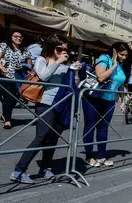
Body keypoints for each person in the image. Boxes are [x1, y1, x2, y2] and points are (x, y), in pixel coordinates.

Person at [10, 35, 80, 184]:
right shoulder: (42, 60)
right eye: (59, 49)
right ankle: (18, 170)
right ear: (51, 47)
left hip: (62, 105)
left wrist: (75, 71)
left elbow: (75, 83)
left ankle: (46, 168)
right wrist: (58, 62)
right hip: (45, 103)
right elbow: (44, 76)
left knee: (53, 138)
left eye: (65, 50)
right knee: (41, 137)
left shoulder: (65, 64)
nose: (62, 52)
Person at [81, 42, 132, 167]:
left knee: (103, 128)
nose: (123, 58)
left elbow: (119, 83)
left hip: (109, 100)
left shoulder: (122, 65)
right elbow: (100, 77)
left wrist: (122, 98)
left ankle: (102, 155)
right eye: (121, 54)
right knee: (90, 126)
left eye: (126, 55)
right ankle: (89, 156)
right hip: (94, 98)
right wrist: (114, 65)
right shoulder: (105, 58)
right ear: (114, 51)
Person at [0, 31, 30, 130]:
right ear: (11, 37)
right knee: (9, 97)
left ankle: (5, 114)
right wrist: (1, 67)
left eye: (20, 37)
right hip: (5, 75)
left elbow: (29, 64)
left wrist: (27, 69)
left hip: (19, 78)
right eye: (16, 36)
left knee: (15, 98)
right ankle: (8, 121)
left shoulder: (25, 50)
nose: (18, 38)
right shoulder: (4, 46)